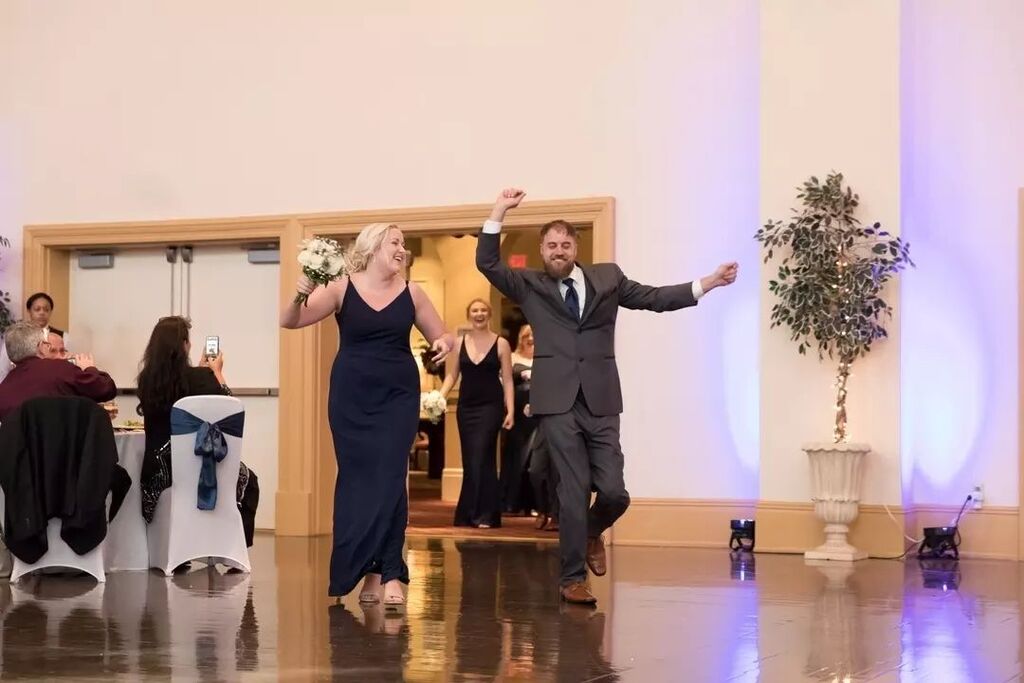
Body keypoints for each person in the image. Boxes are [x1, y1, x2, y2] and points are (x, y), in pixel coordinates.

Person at [477, 188, 738, 605]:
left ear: (576, 247)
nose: (558, 251)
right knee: (573, 490)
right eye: (551, 245)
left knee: (615, 493)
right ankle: (571, 579)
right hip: (556, 402)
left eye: (565, 244)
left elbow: (654, 298)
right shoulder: (529, 285)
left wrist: (707, 282)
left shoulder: (607, 278)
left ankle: (593, 530)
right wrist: (499, 211)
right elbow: (487, 262)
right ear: (542, 251)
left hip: (601, 399)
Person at [281, 222, 453, 605]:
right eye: (395, 242)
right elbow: (289, 321)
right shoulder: (341, 287)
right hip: (351, 397)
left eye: (404, 243)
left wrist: (444, 343)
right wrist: (300, 294)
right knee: (357, 481)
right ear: (373, 246)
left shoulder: (414, 293)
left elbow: (444, 335)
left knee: (392, 478)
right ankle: (364, 572)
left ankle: (390, 572)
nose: (402, 249)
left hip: (397, 396)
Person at [136, 316, 260, 549]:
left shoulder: (146, 380)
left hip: (158, 472)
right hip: (198, 468)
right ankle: (234, 548)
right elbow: (230, 410)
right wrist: (216, 373)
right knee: (249, 480)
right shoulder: (201, 378)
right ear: (183, 345)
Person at [440, 299, 514, 529]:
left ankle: (485, 514)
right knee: (471, 460)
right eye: (475, 310)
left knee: (483, 455)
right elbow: (452, 375)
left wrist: (510, 409)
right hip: (466, 407)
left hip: (491, 407)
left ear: (489, 314)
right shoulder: (460, 342)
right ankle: (469, 513)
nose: (479, 314)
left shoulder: (501, 344)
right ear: (469, 315)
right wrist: (439, 396)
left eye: (483, 310)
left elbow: (509, 381)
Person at [0, 321, 115, 421]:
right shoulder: (61, 369)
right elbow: (106, 389)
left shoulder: (3, 389)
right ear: (41, 346)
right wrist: (89, 368)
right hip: (64, 444)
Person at [503, 324, 538, 516]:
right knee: (515, 456)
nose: (530, 338)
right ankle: (512, 501)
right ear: (520, 338)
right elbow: (506, 382)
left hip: (538, 416)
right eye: (526, 335)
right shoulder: (513, 357)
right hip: (517, 415)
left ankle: (534, 502)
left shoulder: (544, 358)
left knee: (533, 458)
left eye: (534, 334)